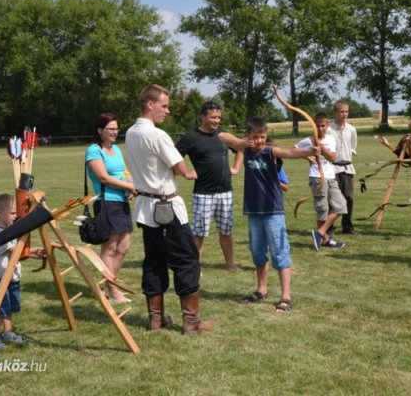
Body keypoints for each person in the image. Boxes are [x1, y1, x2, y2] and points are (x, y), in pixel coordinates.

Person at [125, 84, 216, 334]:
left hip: (146, 207)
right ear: (150, 104)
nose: (167, 110)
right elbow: (178, 165)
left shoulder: (131, 132)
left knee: (154, 261)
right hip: (165, 207)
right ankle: (191, 321)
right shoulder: (157, 135)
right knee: (187, 260)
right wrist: (189, 173)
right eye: (164, 106)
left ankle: (155, 319)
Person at [239, 117, 320, 313]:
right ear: (248, 136)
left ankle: (286, 297)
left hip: (273, 211)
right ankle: (261, 289)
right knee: (258, 253)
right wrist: (244, 143)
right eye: (255, 137)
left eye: (262, 137)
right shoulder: (246, 151)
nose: (259, 141)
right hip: (254, 212)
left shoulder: (270, 151)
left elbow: (290, 152)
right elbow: (223, 137)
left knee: (280, 253)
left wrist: (310, 151)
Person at [175, 100, 244, 271]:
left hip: (225, 191)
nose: (217, 121)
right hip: (203, 193)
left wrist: (236, 168)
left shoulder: (223, 135)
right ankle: (194, 267)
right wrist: (185, 173)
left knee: (226, 231)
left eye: (219, 117)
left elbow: (240, 148)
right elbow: (172, 157)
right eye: (213, 117)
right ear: (202, 117)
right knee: (199, 233)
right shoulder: (190, 137)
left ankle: (230, 264)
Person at [85, 112, 136, 303]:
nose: (115, 132)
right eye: (111, 129)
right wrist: (130, 186)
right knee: (110, 247)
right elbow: (103, 177)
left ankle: (110, 285)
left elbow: (124, 172)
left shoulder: (116, 150)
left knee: (123, 247)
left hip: (121, 202)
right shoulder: (93, 150)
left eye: (117, 128)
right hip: (106, 201)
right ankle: (113, 290)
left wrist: (130, 185)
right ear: (100, 130)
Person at [0, 193, 44, 350]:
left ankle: (8, 332)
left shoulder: (11, 229)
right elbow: (13, 250)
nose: (15, 216)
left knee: (11, 306)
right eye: (12, 213)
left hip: (13, 276)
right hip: (0, 276)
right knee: (0, 308)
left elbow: (18, 251)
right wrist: (32, 252)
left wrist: (34, 252)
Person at [295, 113, 347, 250]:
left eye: (323, 126)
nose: (320, 128)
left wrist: (321, 147)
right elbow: (295, 149)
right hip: (317, 177)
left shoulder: (330, 139)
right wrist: (308, 156)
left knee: (341, 205)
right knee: (322, 209)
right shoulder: (309, 140)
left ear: (327, 125)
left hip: (330, 176)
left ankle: (320, 232)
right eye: (317, 126)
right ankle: (325, 240)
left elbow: (332, 157)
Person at [327, 99, 358, 235]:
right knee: (333, 199)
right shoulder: (328, 129)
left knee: (349, 198)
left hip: (347, 168)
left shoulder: (351, 129)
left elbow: (352, 147)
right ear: (335, 113)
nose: (344, 114)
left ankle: (347, 226)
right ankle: (329, 227)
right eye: (341, 112)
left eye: (346, 112)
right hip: (333, 168)